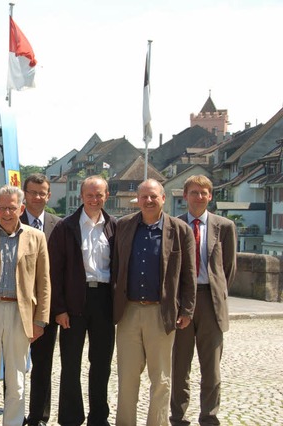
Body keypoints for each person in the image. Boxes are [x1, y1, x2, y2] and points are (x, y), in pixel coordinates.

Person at [112, 178, 196, 426]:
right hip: (128, 311)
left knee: (160, 379)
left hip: (162, 313)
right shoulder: (124, 226)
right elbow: (116, 267)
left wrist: (187, 309)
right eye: (144, 197)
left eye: (153, 196)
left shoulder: (180, 230)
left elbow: (189, 275)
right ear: (137, 200)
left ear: (163, 198)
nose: (148, 201)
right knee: (127, 377)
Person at [0, 185, 51, 426]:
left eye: (12, 208)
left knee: (16, 378)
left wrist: (40, 320)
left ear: (22, 208)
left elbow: (44, 281)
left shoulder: (36, 237)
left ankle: (13, 423)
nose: (7, 213)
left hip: (21, 313)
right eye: (3, 208)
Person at [49, 176, 116, 426]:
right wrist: (60, 308)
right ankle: (70, 417)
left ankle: (98, 417)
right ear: (81, 196)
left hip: (103, 301)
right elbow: (54, 272)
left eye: (99, 194)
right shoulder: (66, 227)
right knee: (70, 364)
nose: (94, 199)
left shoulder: (113, 226)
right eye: (90, 195)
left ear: (106, 196)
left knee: (101, 364)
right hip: (74, 300)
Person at [170, 175, 237, 426]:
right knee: (179, 366)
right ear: (184, 196)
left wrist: (215, 292)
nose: (199, 197)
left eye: (204, 193)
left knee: (211, 367)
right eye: (194, 192)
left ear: (210, 196)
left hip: (211, 302)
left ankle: (209, 417)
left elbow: (228, 268)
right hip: (181, 302)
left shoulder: (225, 226)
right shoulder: (174, 225)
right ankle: (178, 417)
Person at [20, 173, 61, 426]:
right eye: (32, 192)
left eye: (41, 192)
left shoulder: (60, 225)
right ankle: (14, 413)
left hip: (46, 308)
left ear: (49, 195)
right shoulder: (12, 219)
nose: (37, 197)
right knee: (14, 365)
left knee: (43, 365)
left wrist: (60, 307)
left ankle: (38, 417)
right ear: (24, 194)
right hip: (17, 306)